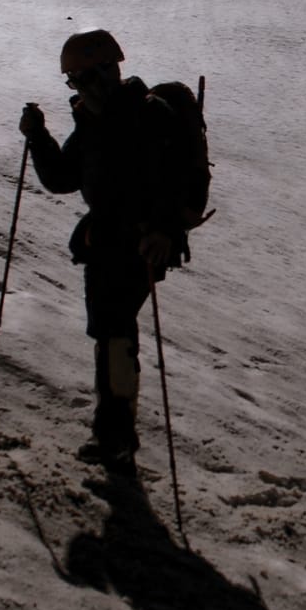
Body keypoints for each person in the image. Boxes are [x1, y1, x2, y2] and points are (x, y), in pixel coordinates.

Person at [19, 30, 193, 470]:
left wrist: (165, 232)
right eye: (72, 81)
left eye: (79, 78)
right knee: (108, 330)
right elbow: (62, 178)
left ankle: (115, 434)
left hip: (140, 243)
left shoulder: (148, 117)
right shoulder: (93, 121)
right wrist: (38, 137)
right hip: (106, 242)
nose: (76, 88)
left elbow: (175, 181)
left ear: (103, 73)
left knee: (114, 329)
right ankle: (114, 431)